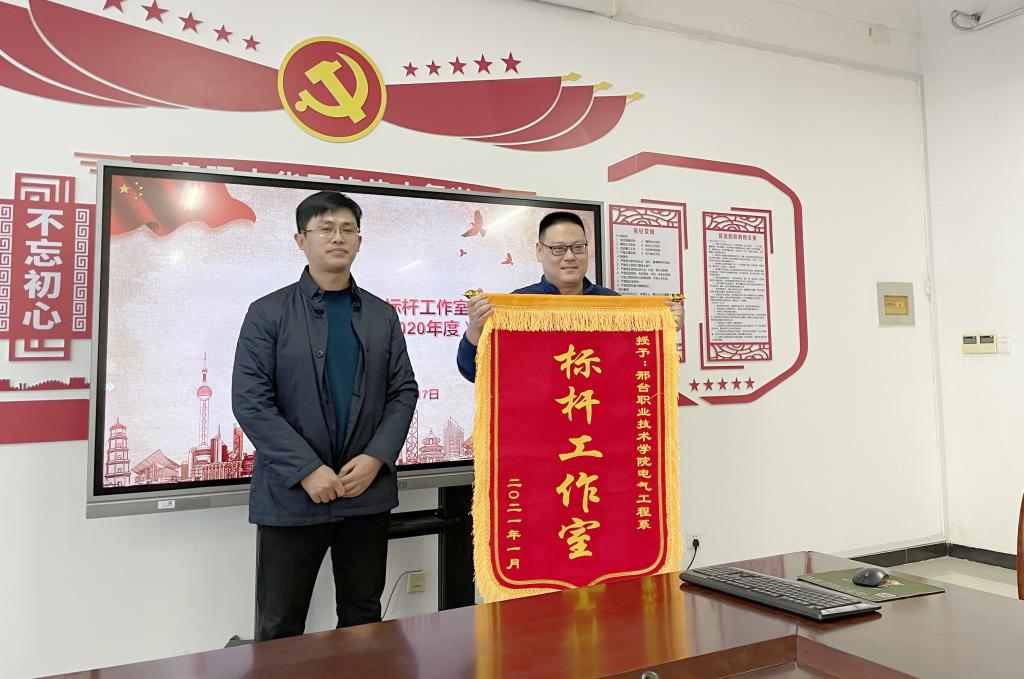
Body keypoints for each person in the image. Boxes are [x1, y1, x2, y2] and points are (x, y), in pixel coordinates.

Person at [232, 191, 418, 641]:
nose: (338, 238)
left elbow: (403, 392)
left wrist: (375, 458)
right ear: (301, 240)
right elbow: (251, 401)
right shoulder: (267, 312)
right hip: (292, 496)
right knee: (280, 623)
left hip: (365, 493)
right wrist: (307, 469)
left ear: (359, 240)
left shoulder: (381, 315)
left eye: (347, 229)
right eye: (326, 229)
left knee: (363, 617)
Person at [456, 211, 684, 382]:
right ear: (539, 251)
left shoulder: (612, 305)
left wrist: (666, 330)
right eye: (558, 248)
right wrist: (475, 328)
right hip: (539, 423)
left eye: (578, 247)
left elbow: (642, 370)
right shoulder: (519, 307)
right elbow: (473, 373)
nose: (569, 256)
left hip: (598, 418)